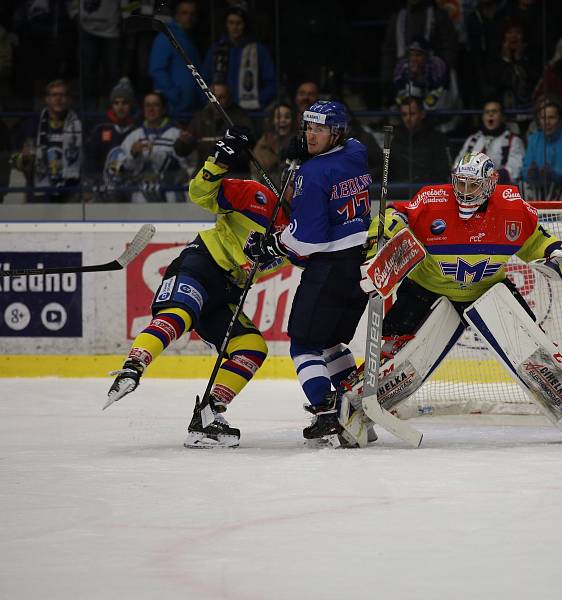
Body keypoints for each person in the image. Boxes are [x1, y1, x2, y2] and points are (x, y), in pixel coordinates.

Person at [334, 151, 562, 445]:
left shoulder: (513, 208)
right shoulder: (432, 200)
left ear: (490, 184)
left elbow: (537, 241)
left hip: (488, 289)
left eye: (473, 185)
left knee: (531, 349)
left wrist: (558, 253)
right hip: (427, 288)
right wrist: (388, 228)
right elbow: (398, 215)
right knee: (395, 354)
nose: (464, 192)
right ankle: (357, 415)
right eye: (460, 184)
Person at [106, 127, 290, 448]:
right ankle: (133, 367)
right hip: (202, 265)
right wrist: (220, 159)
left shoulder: (302, 233)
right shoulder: (256, 195)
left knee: (251, 348)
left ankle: (208, 415)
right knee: (181, 313)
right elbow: (201, 193)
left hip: (228, 291)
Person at [244, 100, 372, 441]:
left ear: (337, 132)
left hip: (328, 270)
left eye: (319, 129)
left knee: (303, 344)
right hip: (359, 268)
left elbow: (308, 241)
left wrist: (272, 245)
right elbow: (341, 163)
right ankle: (355, 409)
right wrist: (307, 155)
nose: (311, 135)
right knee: (330, 342)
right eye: (308, 128)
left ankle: (327, 412)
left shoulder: (312, 175)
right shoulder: (357, 151)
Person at [10, 79, 82, 203]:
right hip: (39, 192)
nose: (58, 99)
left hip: (70, 192)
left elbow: (89, 160)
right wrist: (24, 159)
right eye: (54, 95)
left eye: (62, 95)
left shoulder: (80, 124)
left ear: (69, 99)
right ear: (46, 99)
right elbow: (14, 158)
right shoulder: (32, 124)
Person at [117, 91, 189, 203]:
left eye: (155, 105)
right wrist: (133, 154)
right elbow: (122, 170)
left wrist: (157, 156)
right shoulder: (133, 137)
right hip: (139, 199)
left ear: (163, 109)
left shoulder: (177, 135)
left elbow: (184, 170)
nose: (151, 109)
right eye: (147, 105)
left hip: (171, 198)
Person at [203, 6, 277, 111]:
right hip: (221, 111)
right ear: (226, 25)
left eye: (239, 23)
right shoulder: (216, 50)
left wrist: (259, 101)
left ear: (245, 25)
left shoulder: (258, 50)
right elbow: (204, 80)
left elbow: (271, 83)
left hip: (250, 112)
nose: (235, 27)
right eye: (231, 23)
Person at [173, 82, 254, 176]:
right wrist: (183, 142)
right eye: (213, 96)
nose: (216, 101)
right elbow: (182, 152)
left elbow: (248, 152)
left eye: (222, 97)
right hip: (205, 175)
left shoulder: (241, 118)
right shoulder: (200, 118)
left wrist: (225, 154)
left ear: (229, 98)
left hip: (233, 176)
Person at [148, 0, 205, 118]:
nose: (189, 17)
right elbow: (157, 70)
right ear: (177, 15)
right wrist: (175, 96)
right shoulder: (166, 37)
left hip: (191, 110)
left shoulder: (191, 41)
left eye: (192, 14)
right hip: (172, 111)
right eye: (185, 13)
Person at [84, 77, 138, 202]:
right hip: (104, 192)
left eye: (125, 103)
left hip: (131, 193)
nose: (120, 107)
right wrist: (96, 182)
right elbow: (90, 161)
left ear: (131, 105)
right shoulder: (100, 128)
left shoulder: (138, 130)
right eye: (116, 103)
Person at [388, 95, 452, 197]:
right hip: (400, 194)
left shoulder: (438, 139)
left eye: (412, 114)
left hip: (429, 194)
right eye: (404, 114)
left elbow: (445, 171)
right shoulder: (395, 140)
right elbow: (390, 171)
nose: (408, 118)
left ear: (422, 114)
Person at [521, 95, 562, 200]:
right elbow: (524, 170)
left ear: (560, 119)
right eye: (543, 118)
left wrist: (554, 174)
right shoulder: (533, 138)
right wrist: (530, 172)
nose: (547, 122)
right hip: (538, 193)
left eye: (551, 117)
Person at [453, 100, 525, 186]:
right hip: (470, 191)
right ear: (483, 117)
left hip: (500, 190)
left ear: (502, 117)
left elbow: (514, 170)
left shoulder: (513, 141)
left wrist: (485, 179)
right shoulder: (472, 140)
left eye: (494, 111)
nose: (490, 115)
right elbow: (457, 164)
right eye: (487, 112)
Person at [253, 101, 298, 185]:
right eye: (278, 117)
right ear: (272, 120)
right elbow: (257, 170)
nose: (283, 120)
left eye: (287, 117)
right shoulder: (264, 142)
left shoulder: (299, 142)